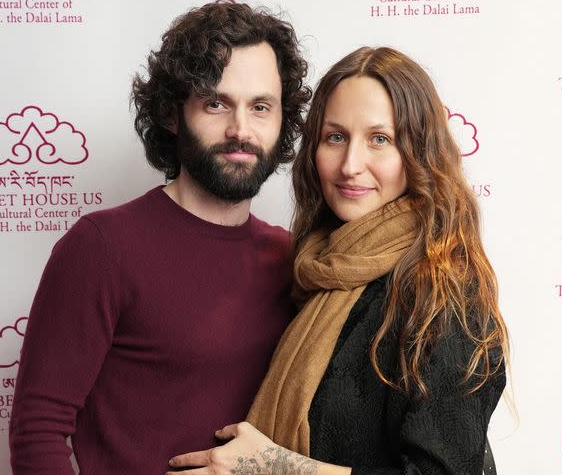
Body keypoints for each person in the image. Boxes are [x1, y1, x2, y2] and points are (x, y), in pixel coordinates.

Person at [168, 46, 509, 475]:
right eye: (336, 137)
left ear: (417, 152)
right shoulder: (319, 274)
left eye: (379, 139)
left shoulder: (443, 296)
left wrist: (275, 468)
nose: (350, 165)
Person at [9, 1, 310, 475]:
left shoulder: (292, 256)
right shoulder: (102, 247)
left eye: (260, 107)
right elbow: (37, 430)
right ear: (173, 114)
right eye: (216, 103)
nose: (240, 129)